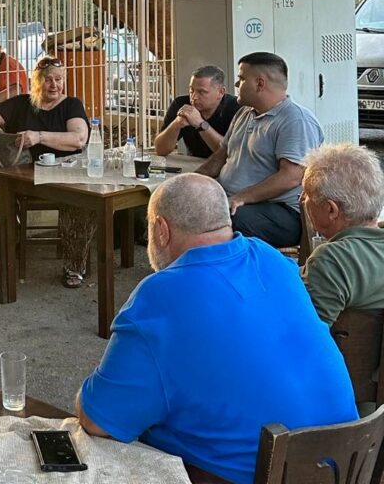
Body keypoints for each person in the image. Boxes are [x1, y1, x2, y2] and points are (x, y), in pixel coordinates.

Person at [76, 173, 357, 484]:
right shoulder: (273, 259)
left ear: (161, 230)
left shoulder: (160, 295)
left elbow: (98, 420)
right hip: (346, 466)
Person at [0, 57, 92, 289]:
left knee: (80, 199)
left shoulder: (71, 105)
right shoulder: (22, 103)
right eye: (48, 79)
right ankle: (7, 242)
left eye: (58, 79)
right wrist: (3, 137)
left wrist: (39, 137)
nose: (54, 85)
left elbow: (79, 138)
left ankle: (74, 265)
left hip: (62, 175)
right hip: (23, 175)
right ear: (37, 82)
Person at [196, 52, 324, 248]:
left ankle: (220, 267)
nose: (236, 84)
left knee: (222, 220)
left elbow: (291, 176)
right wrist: (188, 182)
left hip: (281, 212)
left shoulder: (295, 120)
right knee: (182, 205)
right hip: (234, 201)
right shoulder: (244, 113)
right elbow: (220, 157)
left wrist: (241, 197)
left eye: (241, 78)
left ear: (260, 83)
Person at [300, 143, 384, 326]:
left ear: (331, 209)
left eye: (307, 195)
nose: (303, 200)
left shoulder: (331, 260)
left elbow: (305, 334)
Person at [153, 65, 239, 158]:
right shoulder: (181, 104)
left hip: (226, 165)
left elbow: (232, 154)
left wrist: (201, 124)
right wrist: (176, 124)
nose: (194, 97)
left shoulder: (236, 108)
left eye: (202, 92)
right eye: (191, 90)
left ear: (221, 92)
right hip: (194, 163)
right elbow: (160, 150)